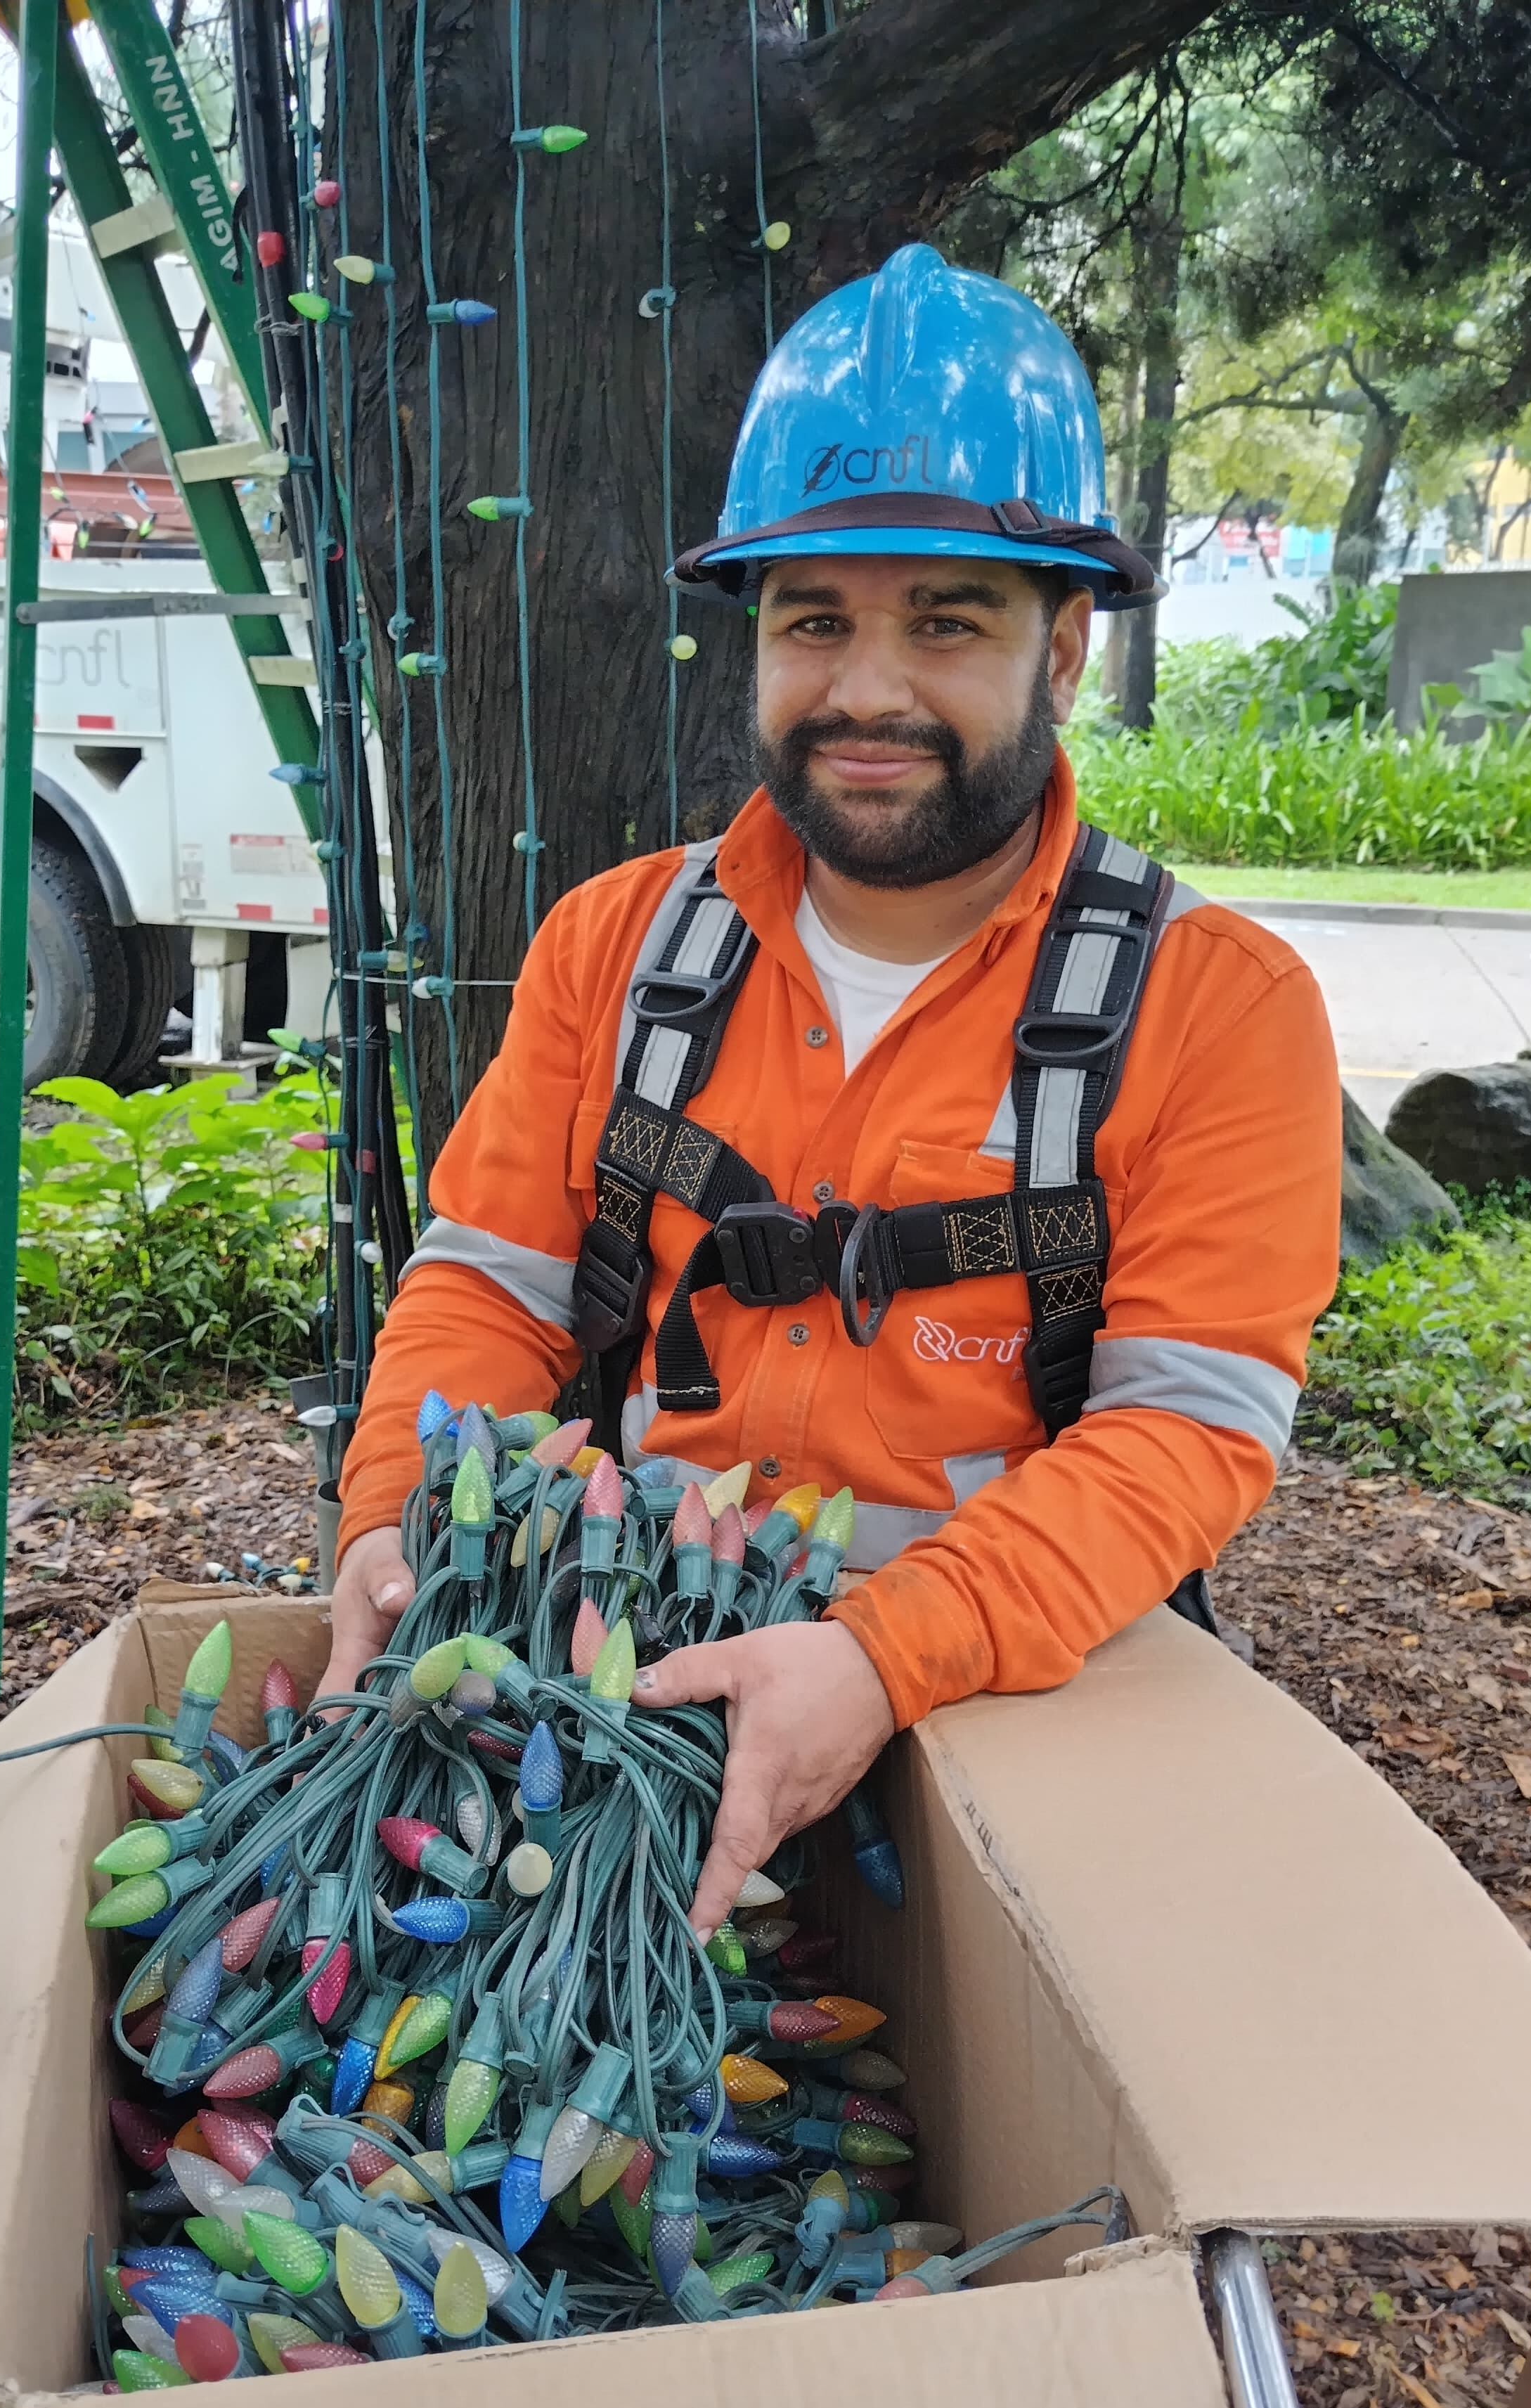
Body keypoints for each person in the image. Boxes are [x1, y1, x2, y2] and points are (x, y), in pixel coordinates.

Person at [323, 243, 1341, 1938]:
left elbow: (1185, 1432)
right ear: (755, 639)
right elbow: (487, 1287)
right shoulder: (613, 949)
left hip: (1000, 1687)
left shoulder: (1216, 1009)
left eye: (946, 621)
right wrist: (391, 1518)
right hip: (620, 1666)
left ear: (1064, 649)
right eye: (816, 621)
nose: (868, 689)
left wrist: (880, 1652)